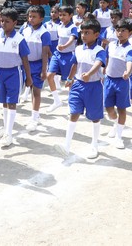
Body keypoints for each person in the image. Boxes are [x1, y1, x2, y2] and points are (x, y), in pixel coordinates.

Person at [54, 18, 106, 159]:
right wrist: (70, 79)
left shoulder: (100, 50)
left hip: (94, 86)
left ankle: (94, 144)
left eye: (87, 33)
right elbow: (75, 64)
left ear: (96, 35)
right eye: (82, 32)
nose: (83, 35)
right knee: (74, 112)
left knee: (95, 117)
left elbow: (98, 63)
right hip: (78, 85)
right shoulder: (77, 49)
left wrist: (89, 74)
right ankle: (66, 146)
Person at [0, 8, 33, 147]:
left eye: (7, 21)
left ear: (14, 23)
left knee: (12, 102)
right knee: (4, 102)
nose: (3, 23)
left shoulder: (19, 39)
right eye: (2, 20)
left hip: (14, 73)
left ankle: (9, 134)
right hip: (0, 72)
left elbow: (25, 59)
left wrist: (28, 77)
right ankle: (5, 128)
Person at [104, 18, 132, 149]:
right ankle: (116, 123)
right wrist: (103, 72)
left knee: (121, 108)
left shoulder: (130, 49)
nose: (120, 33)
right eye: (118, 30)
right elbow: (106, 59)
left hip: (122, 82)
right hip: (108, 80)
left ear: (130, 33)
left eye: (123, 31)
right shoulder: (111, 45)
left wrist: (128, 72)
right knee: (108, 108)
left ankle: (119, 137)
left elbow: (130, 61)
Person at [20, 5, 51, 132]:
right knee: (31, 89)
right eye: (29, 16)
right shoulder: (25, 30)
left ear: (41, 18)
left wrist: (44, 70)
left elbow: (45, 53)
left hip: (38, 65)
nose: (31, 19)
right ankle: (35, 115)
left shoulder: (44, 33)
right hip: (26, 64)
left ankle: (34, 118)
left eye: (34, 17)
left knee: (36, 91)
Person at [47, 5, 78, 112]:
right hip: (57, 54)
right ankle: (56, 101)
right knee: (49, 75)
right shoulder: (59, 26)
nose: (62, 17)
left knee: (70, 80)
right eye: (60, 15)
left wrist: (65, 46)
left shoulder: (73, 27)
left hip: (69, 55)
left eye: (64, 15)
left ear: (71, 15)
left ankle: (71, 103)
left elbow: (72, 38)